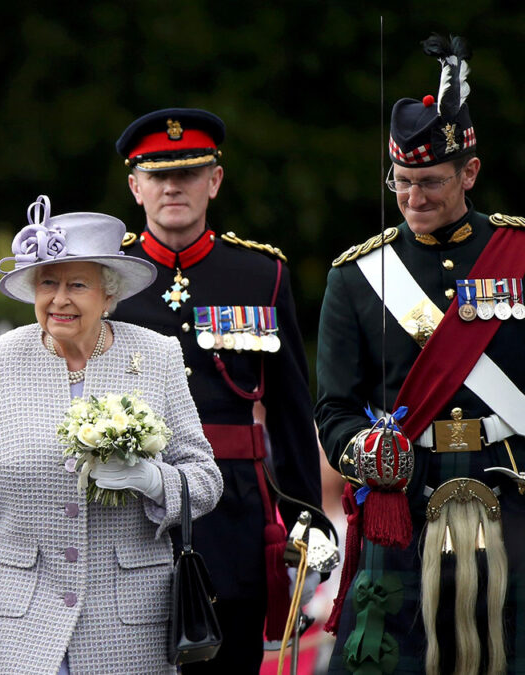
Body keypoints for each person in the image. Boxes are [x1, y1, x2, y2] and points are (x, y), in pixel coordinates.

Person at [0, 194, 222, 674]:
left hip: (130, 622)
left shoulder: (158, 356)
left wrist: (153, 480)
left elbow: (207, 480)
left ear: (108, 295)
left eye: (77, 284)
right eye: (47, 282)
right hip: (20, 618)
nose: (59, 299)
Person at [316, 35, 525, 673]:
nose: (413, 200)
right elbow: (335, 410)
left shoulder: (518, 256)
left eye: (430, 182)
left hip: (511, 488)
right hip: (401, 504)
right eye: (401, 183)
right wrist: (367, 452)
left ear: (470, 172)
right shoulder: (356, 277)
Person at [110, 107, 324, 672]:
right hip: (134, 507)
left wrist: (305, 513)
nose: (173, 186)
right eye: (157, 175)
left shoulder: (261, 275)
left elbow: (290, 406)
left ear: (215, 180)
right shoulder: (109, 279)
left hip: (235, 509)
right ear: (136, 187)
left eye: (188, 172)